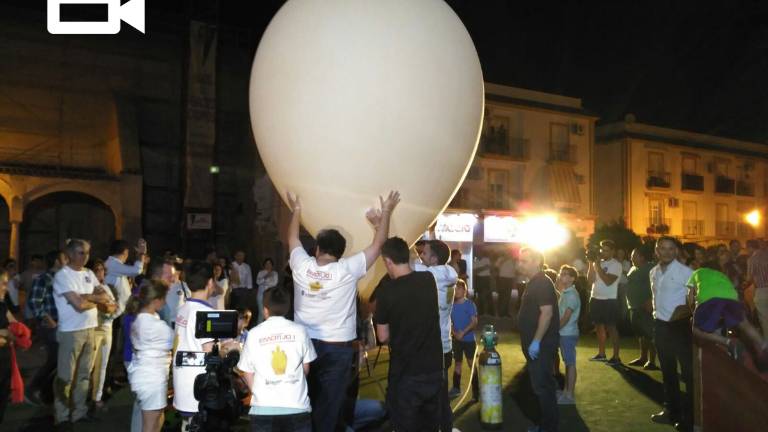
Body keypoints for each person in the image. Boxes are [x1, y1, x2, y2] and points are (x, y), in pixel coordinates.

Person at [287, 191, 399, 432]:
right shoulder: (347, 269)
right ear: (341, 252)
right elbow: (379, 245)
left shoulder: (301, 266)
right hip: (337, 349)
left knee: (302, 400)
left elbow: (293, 239)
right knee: (330, 405)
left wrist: (296, 209)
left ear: (317, 249)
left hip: (303, 346)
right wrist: (386, 212)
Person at [374, 237, 445, 431]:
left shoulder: (386, 292)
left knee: (405, 424)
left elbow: (382, 336)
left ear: (387, 262)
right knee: (430, 425)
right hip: (433, 368)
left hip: (406, 372)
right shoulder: (428, 280)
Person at [52, 239, 115, 429]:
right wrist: (94, 299)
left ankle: (79, 413)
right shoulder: (63, 276)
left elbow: (104, 297)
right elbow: (79, 306)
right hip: (71, 332)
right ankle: (62, 416)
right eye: (80, 252)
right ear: (70, 254)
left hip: (91, 328)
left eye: (87, 252)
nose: (85, 256)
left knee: (84, 375)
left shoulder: (88, 273)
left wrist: (88, 297)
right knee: (66, 377)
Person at [238, 286, 317, 432]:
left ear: (265, 310)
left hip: (263, 408)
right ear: (287, 308)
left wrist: (257, 391)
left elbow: (247, 372)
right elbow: (306, 368)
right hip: (297, 406)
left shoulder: (254, 334)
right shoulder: (300, 331)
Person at [649, 237, 694, 432]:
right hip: (660, 325)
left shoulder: (687, 272)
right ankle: (671, 411)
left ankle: (691, 417)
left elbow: (695, 301)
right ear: (657, 251)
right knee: (667, 371)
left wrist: (683, 312)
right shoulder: (653, 272)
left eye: (671, 248)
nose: (666, 252)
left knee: (688, 373)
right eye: (662, 249)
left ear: (676, 251)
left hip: (680, 326)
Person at [415, 239, 458, 431]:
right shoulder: (449, 272)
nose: (421, 256)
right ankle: (446, 427)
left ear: (434, 258)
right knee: (440, 395)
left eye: (424, 253)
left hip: (434, 347)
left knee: (433, 397)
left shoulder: (433, 274)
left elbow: (407, 265)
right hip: (445, 345)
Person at [517, 248, 559, 432]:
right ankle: (544, 424)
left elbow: (547, 313)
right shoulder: (535, 281)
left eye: (525, 260)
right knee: (541, 386)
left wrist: (536, 341)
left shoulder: (541, 282)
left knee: (543, 387)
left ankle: (548, 427)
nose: (520, 264)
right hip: (536, 344)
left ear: (536, 262)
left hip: (541, 345)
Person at [687, 263, 767, 359]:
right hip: (732, 298)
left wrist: (693, 311)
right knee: (744, 324)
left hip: (710, 299)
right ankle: (764, 345)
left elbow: (690, 296)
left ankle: (728, 342)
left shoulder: (697, 272)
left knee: (695, 329)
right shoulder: (721, 275)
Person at [172, 260, 217, 430]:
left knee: (187, 425)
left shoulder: (183, 308)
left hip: (182, 380)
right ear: (210, 282)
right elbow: (209, 351)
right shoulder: (205, 313)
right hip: (197, 386)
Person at [127, 280, 173, 432]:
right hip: (151, 379)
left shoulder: (142, 319)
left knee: (156, 420)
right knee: (150, 425)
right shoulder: (155, 326)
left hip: (147, 376)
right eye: (164, 298)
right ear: (156, 301)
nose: (165, 302)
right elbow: (176, 342)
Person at [26, 250, 67, 405]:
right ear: (57, 261)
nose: (67, 260)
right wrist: (47, 318)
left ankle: (45, 392)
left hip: (62, 324)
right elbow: (34, 302)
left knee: (58, 360)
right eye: (65, 258)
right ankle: (32, 389)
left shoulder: (64, 279)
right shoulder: (43, 279)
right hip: (50, 324)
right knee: (54, 359)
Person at [89, 259, 119, 411]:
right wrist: (108, 306)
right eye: (96, 269)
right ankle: (82, 397)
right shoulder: (90, 287)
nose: (100, 272)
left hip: (108, 328)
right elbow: (106, 307)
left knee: (102, 366)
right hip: (94, 329)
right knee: (88, 366)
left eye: (101, 269)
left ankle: (97, 397)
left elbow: (114, 307)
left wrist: (110, 307)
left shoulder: (107, 287)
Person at [587, 239, 622, 364]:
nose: (603, 253)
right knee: (599, 327)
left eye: (606, 250)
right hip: (595, 298)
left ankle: (616, 357)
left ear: (612, 251)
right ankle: (601, 354)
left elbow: (608, 281)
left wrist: (598, 266)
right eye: (602, 250)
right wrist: (591, 264)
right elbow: (590, 280)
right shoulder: (597, 263)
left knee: (612, 328)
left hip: (609, 300)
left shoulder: (616, 265)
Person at [625, 248, 658, 369]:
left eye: (634, 256)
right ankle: (643, 357)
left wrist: (651, 300)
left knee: (649, 333)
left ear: (642, 257)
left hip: (646, 307)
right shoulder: (633, 268)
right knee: (641, 334)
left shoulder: (651, 268)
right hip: (634, 306)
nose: (631, 258)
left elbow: (657, 285)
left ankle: (652, 361)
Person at [449, 279, 478, 400]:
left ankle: (476, 392)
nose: (456, 291)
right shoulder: (451, 305)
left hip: (469, 340)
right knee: (458, 364)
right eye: (455, 289)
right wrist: (455, 333)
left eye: (459, 288)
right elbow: (449, 322)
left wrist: (463, 332)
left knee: (471, 365)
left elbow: (474, 322)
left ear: (464, 290)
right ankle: (456, 388)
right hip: (457, 340)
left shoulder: (469, 304)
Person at [556, 265, 580, 405]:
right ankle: (566, 391)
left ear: (572, 278)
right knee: (568, 362)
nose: (561, 276)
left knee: (570, 364)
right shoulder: (566, 293)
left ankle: (569, 395)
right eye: (561, 273)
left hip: (567, 334)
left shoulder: (571, 295)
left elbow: (565, 317)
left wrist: (555, 329)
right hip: (565, 333)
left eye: (565, 274)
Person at [746, 239, 768, 336]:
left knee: (764, 319)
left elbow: (749, 278)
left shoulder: (752, 259)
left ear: (750, 247)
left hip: (761, 291)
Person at [256, 258, 279, 324]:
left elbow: (274, 283)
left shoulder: (275, 273)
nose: (268, 265)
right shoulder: (261, 272)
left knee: (270, 313)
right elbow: (258, 282)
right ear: (264, 265)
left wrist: (263, 281)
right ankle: (259, 328)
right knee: (261, 313)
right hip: (261, 295)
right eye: (266, 263)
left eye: (269, 263)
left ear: (272, 265)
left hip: (270, 296)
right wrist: (266, 277)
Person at [496, 252, 516, 318]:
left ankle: (506, 312)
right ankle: (500, 313)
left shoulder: (512, 260)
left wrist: (513, 279)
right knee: (502, 295)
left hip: (510, 279)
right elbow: (496, 266)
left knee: (508, 296)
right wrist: (504, 259)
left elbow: (514, 269)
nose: (509, 254)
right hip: (502, 278)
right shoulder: (501, 259)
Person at [474, 250, 492, 315]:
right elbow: (475, 272)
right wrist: (484, 267)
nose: (478, 254)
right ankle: (481, 312)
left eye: (479, 252)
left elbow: (489, 268)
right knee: (480, 296)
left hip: (486, 278)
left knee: (488, 295)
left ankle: (490, 312)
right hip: (479, 279)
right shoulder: (475, 260)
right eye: (477, 253)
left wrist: (479, 269)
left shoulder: (486, 259)